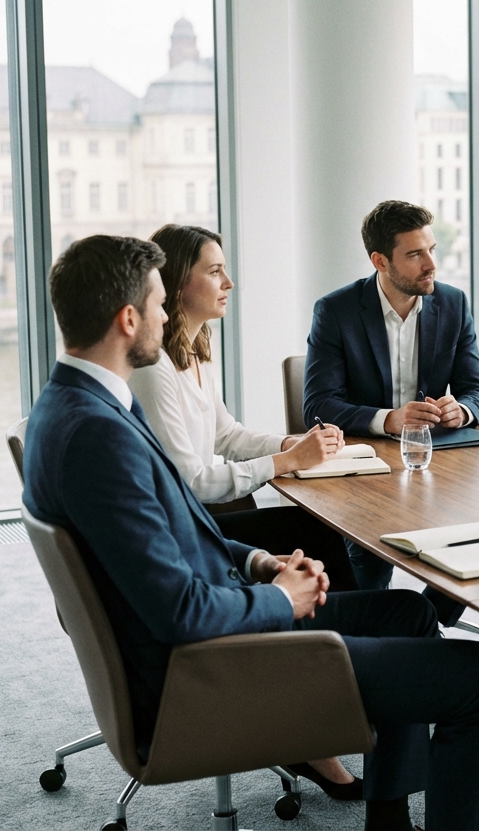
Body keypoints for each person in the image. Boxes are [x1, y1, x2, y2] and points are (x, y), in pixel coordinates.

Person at [23, 235, 479, 831]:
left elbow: (176, 531)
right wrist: (282, 597)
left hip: (221, 622)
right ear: (129, 319)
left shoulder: (75, 405)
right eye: (157, 305)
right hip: (213, 668)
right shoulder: (97, 435)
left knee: (408, 614)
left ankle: (388, 819)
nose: (164, 316)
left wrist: (258, 561)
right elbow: (180, 611)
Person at [128, 223, 363, 798]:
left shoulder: (195, 348)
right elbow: (193, 481)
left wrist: (289, 445)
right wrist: (284, 466)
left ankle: (337, 679)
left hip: (206, 519)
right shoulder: (156, 369)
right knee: (311, 530)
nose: (228, 282)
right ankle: (322, 699)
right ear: (178, 284)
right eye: (214, 271)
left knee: (314, 529)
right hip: (199, 530)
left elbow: (227, 434)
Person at [302, 201, 479, 624]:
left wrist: (460, 409)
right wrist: (388, 419)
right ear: (380, 261)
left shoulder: (453, 304)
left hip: (438, 465)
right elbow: (316, 405)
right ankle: (390, 628)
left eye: (432, 249)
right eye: (415, 254)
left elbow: (478, 391)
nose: (431, 264)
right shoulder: (337, 311)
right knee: (367, 563)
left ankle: (424, 618)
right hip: (365, 471)